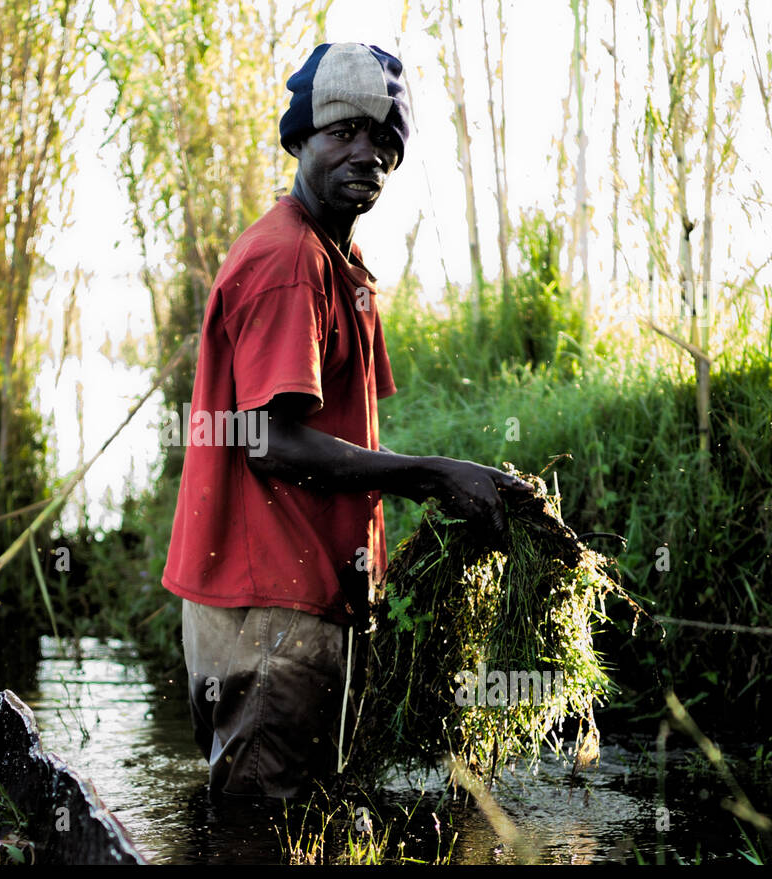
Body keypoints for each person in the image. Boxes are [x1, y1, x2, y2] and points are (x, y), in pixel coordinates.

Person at [161, 42, 527, 800]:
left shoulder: (341, 264)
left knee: (297, 817)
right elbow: (269, 441)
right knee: (265, 838)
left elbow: (341, 433)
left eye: (384, 142)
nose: (366, 153)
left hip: (299, 601)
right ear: (301, 140)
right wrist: (431, 476)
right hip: (267, 610)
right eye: (343, 132)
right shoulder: (289, 259)